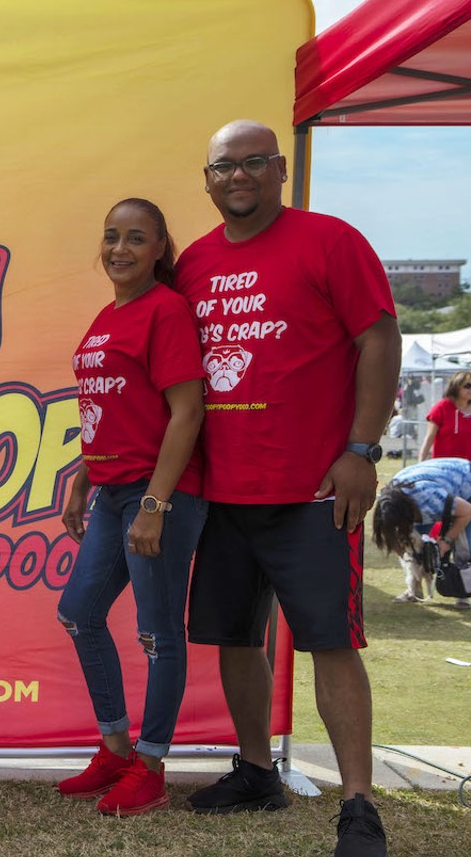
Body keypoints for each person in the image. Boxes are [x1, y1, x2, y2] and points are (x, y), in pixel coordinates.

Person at [174, 120, 400, 857]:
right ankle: (256, 771)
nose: (238, 177)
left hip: (313, 490)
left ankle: (359, 805)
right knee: (237, 637)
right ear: (206, 179)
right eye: (224, 167)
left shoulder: (331, 240)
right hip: (223, 491)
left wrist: (361, 450)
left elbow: (379, 336)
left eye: (253, 163)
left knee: (331, 641)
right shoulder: (195, 263)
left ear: (279, 169)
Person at [56, 198, 207, 816]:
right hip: (115, 490)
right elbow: (117, 410)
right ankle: (116, 749)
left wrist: (155, 503)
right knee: (79, 614)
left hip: (158, 493)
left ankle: (150, 766)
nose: (120, 249)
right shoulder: (108, 314)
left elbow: (186, 412)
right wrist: (83, 475)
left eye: (136, 238)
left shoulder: (165, 311)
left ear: (160, 248)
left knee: (156, 632)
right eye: (111, 236)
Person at [372, 457, 471, 609]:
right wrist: (407, 553)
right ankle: (414, 590)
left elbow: (466, 512)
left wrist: (445, 542)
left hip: (465, 484)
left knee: (464, 543)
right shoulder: (391, 500)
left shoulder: (428, 498)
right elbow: (398, 539)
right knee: (413, 547)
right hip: (429, 493)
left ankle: (463, 592)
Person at [419, 371, 471, 460]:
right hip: (444, 466)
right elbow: (429, 438)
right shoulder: (441, 408)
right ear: (456, 387)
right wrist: (420, 463)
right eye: (468, 386)